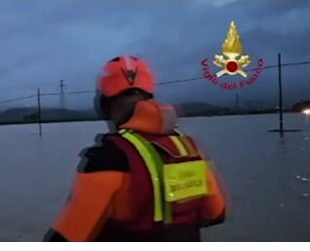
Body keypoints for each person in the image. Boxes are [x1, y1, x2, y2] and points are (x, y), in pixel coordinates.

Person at [43, 55, 227, 242]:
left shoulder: (107, 156)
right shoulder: (187, 148)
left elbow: (68, 238)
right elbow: (217, 213)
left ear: (103, 106)